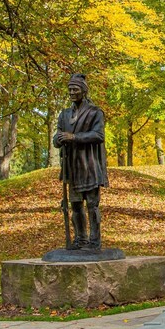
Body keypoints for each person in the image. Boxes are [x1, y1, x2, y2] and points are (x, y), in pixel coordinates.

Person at [53, 73, 109, 250]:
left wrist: (74, 137)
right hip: (72, 168)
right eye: (69, 89)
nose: (71, 92)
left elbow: (98, 135)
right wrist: (59, 139)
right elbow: (58, 136)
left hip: (89, 165)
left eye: (75, 89)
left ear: (83, 91)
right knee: (75, 205)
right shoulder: (64, 115)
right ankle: (80, 238)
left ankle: (95, 240)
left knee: (92, 205)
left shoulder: (95, 113)